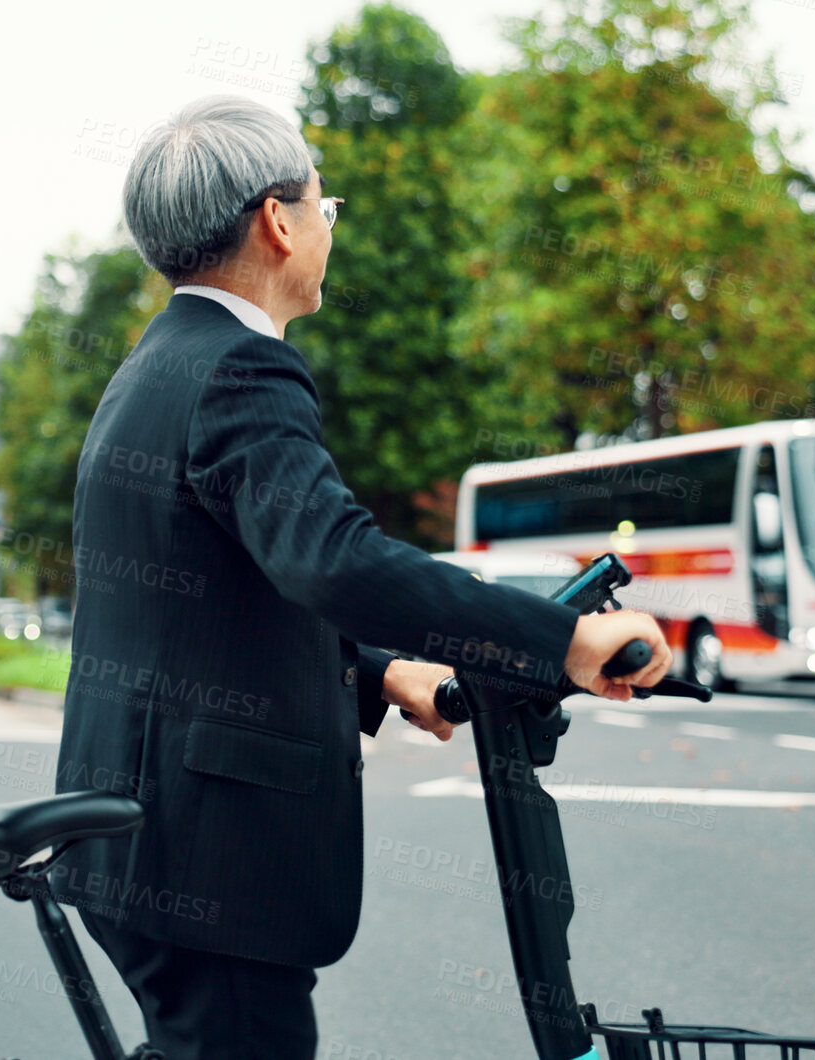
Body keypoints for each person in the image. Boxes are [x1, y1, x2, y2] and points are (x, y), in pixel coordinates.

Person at [48, 95, 672, 1060]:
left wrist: (380, 671)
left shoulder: (153, 366)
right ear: (277, 220)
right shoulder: (243, 370)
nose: (327, 227)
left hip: (141, 833)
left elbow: (226, 580)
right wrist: (563, 639)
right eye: (323, 205)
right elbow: (333, 557)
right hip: (208, 856)